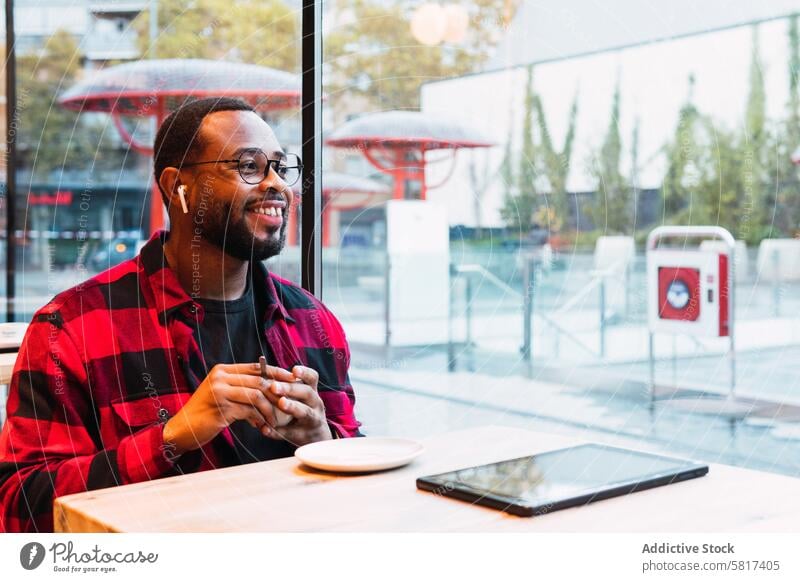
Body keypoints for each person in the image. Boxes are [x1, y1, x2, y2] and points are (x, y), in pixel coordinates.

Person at [0, 97, 362, 532]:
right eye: (249, 165)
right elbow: (21, 507)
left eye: (280, 168)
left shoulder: (314, 322)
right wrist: (173, 437)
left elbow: (359, 478)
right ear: (178, 187)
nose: (277, 186)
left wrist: (321, 440)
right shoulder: (72, 328)